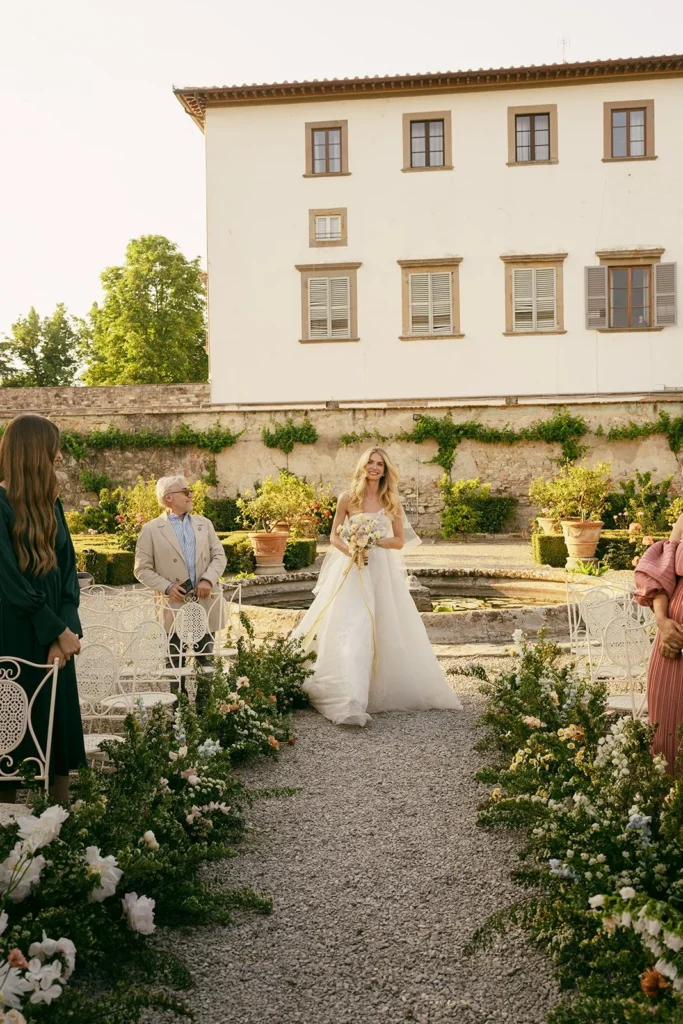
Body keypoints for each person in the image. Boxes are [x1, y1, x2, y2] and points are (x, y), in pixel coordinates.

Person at [293, 447, 463, 726]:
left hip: (381, 571)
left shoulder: (391, 502)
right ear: (363, 466)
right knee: (352, 626)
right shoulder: (347, 498)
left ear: (385, 470)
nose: (374, 467)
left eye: (379, 464)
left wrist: (372, 541)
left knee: (384, 626)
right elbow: (334, 537)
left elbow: (398, 541)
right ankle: (349, 696)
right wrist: (351, 550)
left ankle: (374, 691)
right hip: (351, 570)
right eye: (370, 462)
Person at [0, 413, 86, 803]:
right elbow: (8, 581)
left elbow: (69, 574)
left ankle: (62, 828)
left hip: (56, 640)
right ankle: (9, 842)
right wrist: (53, 629)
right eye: (53, 452)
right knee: (12, 725)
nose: (58, 459)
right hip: (14, 634)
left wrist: (66, 633)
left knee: (56, 726)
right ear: (35, 453)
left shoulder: (53, 506)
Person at [134, 476, 227, 679]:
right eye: (185, 491)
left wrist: (208, 580)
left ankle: (205, 708)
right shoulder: (150, 530)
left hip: (204, 601)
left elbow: (219, 556)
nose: (190, 495)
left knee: (205, 658)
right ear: (169, 498)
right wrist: (167, 587)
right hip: (173, 604)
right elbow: (142, 569)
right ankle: (179, 708)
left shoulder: (205, 524)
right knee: (174, 662)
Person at [634, 513, 683, 772]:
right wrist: (663, 622)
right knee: (665, 733)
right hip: (669, 650)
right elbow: (663, 578)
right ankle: (667, 805)